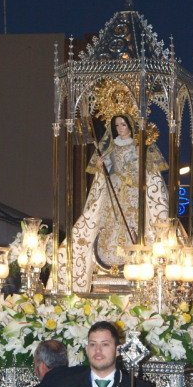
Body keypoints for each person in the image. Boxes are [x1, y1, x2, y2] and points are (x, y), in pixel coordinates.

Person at [56, 113, 169, 291]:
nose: (120, 128)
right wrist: (101, 165)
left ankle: (135, 259)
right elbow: (108, 166)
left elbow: (147, 169)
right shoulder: (113, 146)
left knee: (133, 222)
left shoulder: (137, 145)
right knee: (112, 222)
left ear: (130, 126)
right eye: (117, 125)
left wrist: (141, 158)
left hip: (133, 191)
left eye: (123, 125)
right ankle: (110, 258)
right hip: (114, 189)